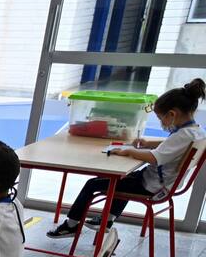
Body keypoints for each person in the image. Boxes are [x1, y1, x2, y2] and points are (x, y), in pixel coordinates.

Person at [48, 78, 206, 238]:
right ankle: (107, 220)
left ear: (172, 114)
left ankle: (71, 225)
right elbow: (172, 145)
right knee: (122, 179)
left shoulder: (182, 135)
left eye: (161, 118)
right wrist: (148, 142)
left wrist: (127, 152)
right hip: (164, 184)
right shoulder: (196, 132)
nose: (161, 123)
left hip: (152, 186)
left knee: (92, 184)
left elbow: (154, 158)